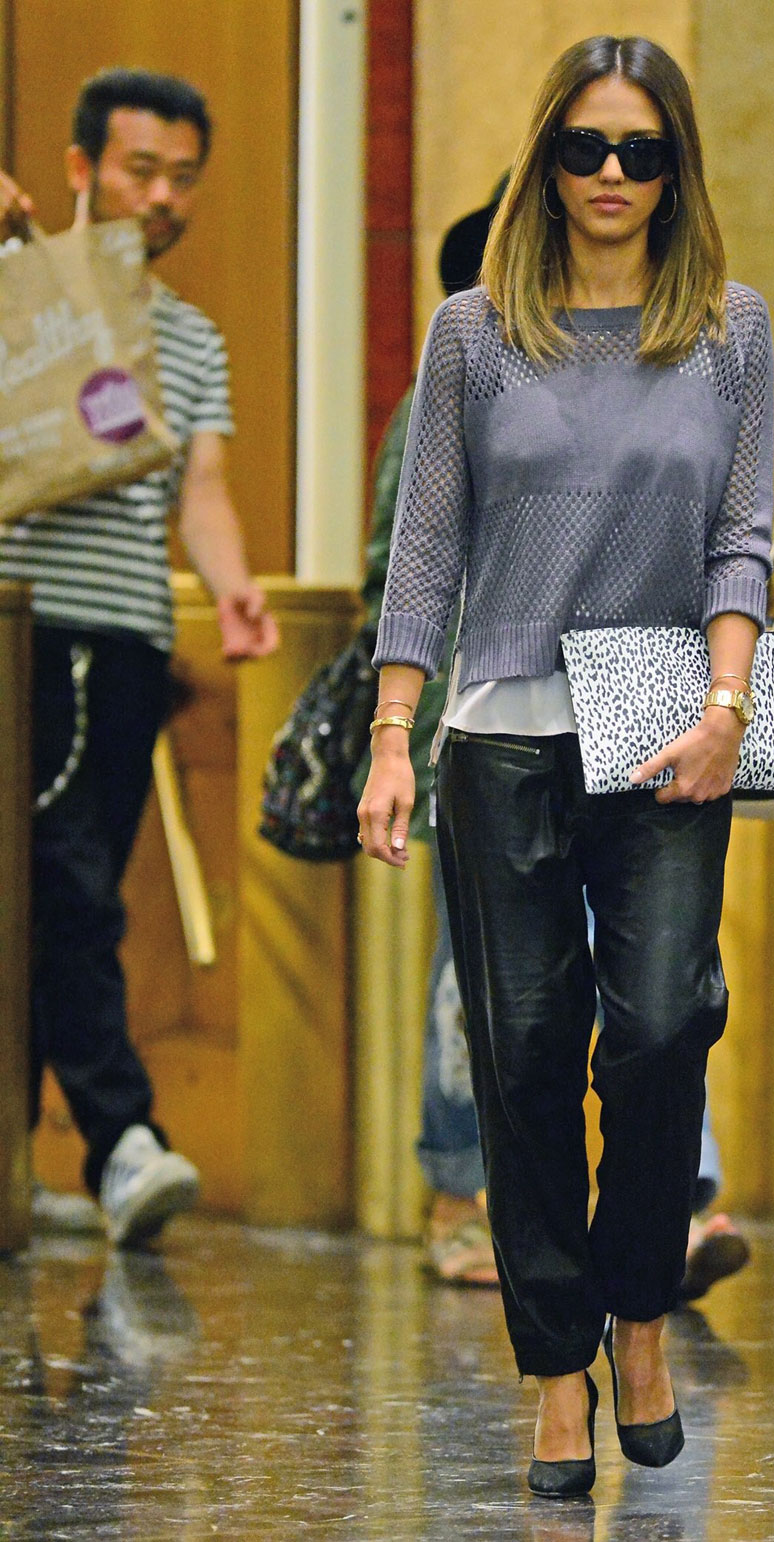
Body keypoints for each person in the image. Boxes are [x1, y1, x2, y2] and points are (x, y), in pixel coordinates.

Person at [359, 34, 772, 1497]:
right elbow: (427, 549)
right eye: (587, 149)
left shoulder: (730, 326)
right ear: (545, 162)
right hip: (504, 728)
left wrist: (730, 702)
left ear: (676, 172)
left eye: (641, 152)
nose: (611, 175)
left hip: (669, 706)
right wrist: (394, 733)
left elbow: (740, 532)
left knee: (661, 1027)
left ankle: (640, 1314)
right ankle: (554, 1369)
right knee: (523, 1051)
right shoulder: (475, 331)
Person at [0, 70, 278, 1249]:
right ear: (80, 168)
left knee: (69, 897)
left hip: (123, 645)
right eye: (138, 170)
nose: (161, 197)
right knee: (62, 891)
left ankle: (21, 1163)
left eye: (182, 178)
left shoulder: (191, 339)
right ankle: (121, 1139)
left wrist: (230, 585)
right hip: (23, 630)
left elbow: (200, 488)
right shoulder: (13, 289)